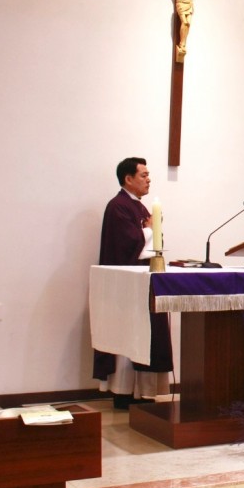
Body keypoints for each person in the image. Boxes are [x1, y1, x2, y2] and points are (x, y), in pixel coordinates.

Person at [92, 157, 173, 408]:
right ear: (128, 179)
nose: (149, 179)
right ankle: (124, 392)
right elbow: (126, 244)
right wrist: (150, 230)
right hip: (127, 286)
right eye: (143, 175)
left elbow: (147, 243)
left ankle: (144, 392)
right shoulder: (118, 206)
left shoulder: (139, 207)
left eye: (149, 175)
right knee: (130, 334)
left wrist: (150, 230)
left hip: (144, 280)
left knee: (147, 334)